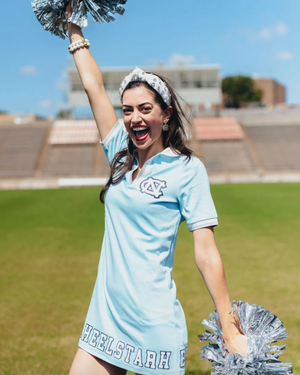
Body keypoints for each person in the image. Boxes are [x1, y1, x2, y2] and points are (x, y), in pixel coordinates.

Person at [65, 3, 247, 375]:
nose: (134, 118)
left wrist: (228, 324)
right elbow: (93, 87)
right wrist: (71, 25)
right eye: (127, 110)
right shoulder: (120, 151)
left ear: (165, 114)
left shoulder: (187, 169)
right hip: (106, 319)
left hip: (155, 327)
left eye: (145, 108)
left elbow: (207, 252)